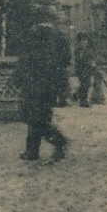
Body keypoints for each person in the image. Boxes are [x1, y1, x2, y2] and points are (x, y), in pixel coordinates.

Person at [15, 18, 70, 162]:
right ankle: (38, 149)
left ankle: (52, 143)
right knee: (37, 118)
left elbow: (24, 64)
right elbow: (63, 64)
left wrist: (19, 79)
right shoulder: (55, 40)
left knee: (34, 119)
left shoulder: (37, 44)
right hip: (44, 89)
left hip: (36, 88)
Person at [73, 34, 102, 107]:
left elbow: (89, 57)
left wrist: (92, 62)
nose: (85, 42)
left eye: (85, 40)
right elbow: (80, 60)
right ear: (79, 41)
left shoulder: (87, 49)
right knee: (85, 84)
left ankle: (78, 96)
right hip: (82, 69)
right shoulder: (79, 49)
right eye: (83, 40)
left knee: (86, 84)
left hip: (87, 69)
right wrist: (89, 62)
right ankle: (83, 100)